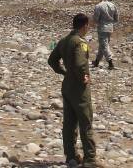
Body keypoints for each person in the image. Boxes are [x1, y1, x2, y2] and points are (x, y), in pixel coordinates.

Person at [49, 13, 97, 167]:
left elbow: (52, 60)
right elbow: (79, 62)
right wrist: (84, 75)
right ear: (85, 26)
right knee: (85, 121)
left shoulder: (64, 41)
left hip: (67, 85)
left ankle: (71, 155)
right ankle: (90, 159)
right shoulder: (80, 42)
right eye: (87, 26)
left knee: (69, 123)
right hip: (78, 87)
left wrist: (63, 72)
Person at [91, 0, 118, 70]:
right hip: (110, 27)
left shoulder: (99, 6)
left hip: (102, 28)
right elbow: (116, 18)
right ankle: (97, 61)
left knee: (104, 45)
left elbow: (96, 18)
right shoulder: (113, 5)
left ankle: (110, 62)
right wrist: (111, 22)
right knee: (103, 45)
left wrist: (97, 22)